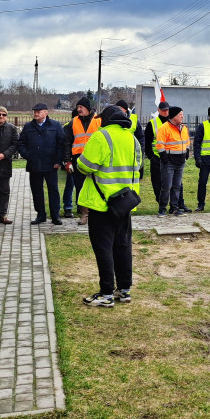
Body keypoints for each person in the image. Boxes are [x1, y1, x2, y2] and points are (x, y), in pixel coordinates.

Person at [76, 104, 143, 307]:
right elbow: (139, 166)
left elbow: (84, 165)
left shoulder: (101, 136)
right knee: (123, 246)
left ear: (104, 119)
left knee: (103, 248)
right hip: (125, 203)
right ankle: (124, 290)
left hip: (102, 203)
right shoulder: (132, 139)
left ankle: (106, 293)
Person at [17, 103, 66, 225]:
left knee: (53, 190)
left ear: (46, 112)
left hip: (51, 165)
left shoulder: (55, 125)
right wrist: (27, 155)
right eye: (35, 111)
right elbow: (21, 143)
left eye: (39, 111)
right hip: (35, 165)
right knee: (37, 191)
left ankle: (55, 216)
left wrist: (58, 161)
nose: (36, 113)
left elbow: (61, 144)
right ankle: (41, 215)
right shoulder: (28, 126)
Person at [63, 97, 99, 225]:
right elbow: (67, 143)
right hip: (78, 160)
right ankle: (84, 213)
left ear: (88, 109)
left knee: (96, 186)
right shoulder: (73, 122)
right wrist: (67, 161)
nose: (78, 109)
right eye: (77, 107)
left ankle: (95, 213)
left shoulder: (98, 121)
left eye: (81, 107)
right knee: (81, 187)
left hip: (95, 159)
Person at [156, 106, 191, 215]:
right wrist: (164, 158)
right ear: (174, 116)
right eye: (180, 115)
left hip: (180, 161)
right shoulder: (164, 127)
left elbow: (187, 141)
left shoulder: (184, 128)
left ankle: (174, 208)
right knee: (167, 186)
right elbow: (160, 144)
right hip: (169, 162)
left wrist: (187, 151)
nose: (182, 116)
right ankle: (162, 209)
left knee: (177, 186)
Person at [144, 101, 170, 205]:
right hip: (157, 157)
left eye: (167, 110)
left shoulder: (172, 122)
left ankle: (172, 203)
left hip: (170, 157)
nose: (166, 112)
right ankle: (160, 202)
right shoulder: (152, 123)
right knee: (157, 182)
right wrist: (151, 156)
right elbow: (147, 142)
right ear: (158, 110)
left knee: (172, 182)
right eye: (163, 110)